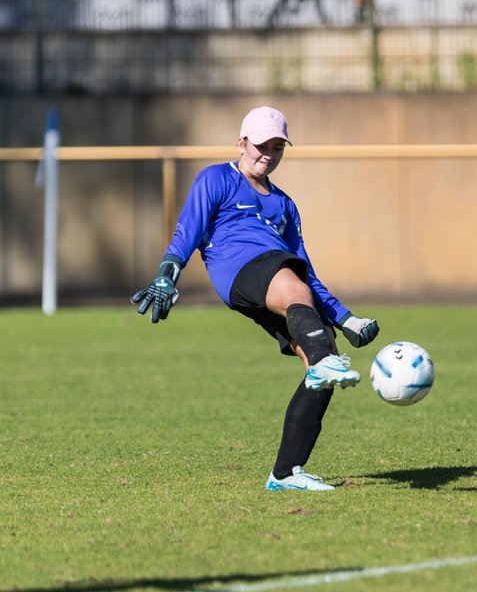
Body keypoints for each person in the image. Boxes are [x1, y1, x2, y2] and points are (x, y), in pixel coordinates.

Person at [131, 106, 380, 492]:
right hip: (240, 268)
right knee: (297, 296)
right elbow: (188, 230)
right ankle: (324, 363)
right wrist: (168, 272)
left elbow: (307, 274)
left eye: (278, 147)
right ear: (241, 143)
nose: (269, 153)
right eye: (262, 145)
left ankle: (285, 473)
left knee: (321, 359)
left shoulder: (285, 204)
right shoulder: (216, 178)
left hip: (279, 275)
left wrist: (346, 320)